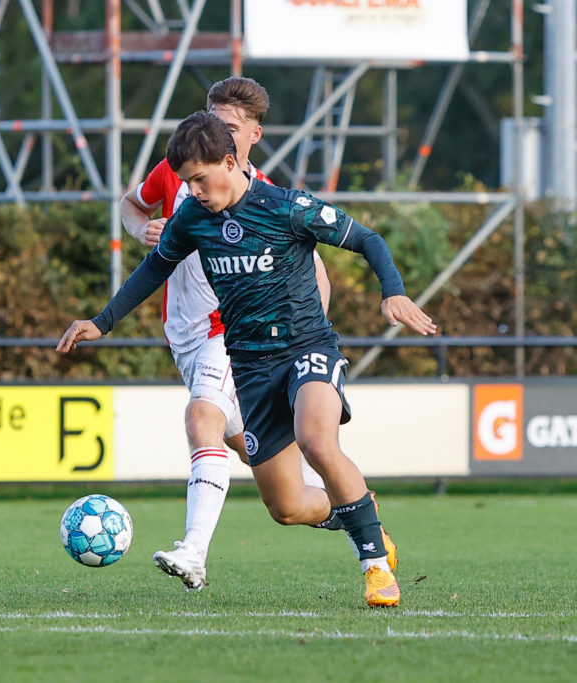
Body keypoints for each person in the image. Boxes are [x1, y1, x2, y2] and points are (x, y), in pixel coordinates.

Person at [59, 112, 437, 608]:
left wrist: (393, 292)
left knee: (316, 440)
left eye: (200, 179)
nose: (194, 191)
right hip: (252, 367)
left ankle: (375, 567)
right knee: (287, 506)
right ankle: (359, 513)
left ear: (230, 161)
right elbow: (154, 269)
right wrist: (102, 321)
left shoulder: (286, 207)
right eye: (187, 182)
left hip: (306, 348)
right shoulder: (193, 219)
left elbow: (368, 239)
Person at [119, 76, 332, 592]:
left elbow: (316, 273)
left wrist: (302, 343)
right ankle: (354, 513)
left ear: (253, 136)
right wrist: (142, 229)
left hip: (233, 336)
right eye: (213, 121)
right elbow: (131, 203)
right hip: (184, 339)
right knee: (268, 472)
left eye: (231, 127)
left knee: (201, 420)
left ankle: (193, 552)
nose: (218, 134)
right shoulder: (181, 170)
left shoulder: (267, 198)